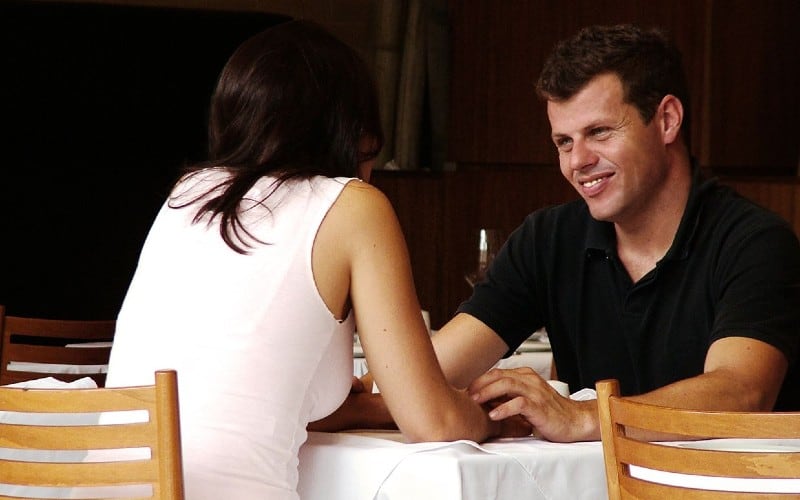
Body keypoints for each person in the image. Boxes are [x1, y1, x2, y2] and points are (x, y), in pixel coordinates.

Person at [104, 20, 511, 500]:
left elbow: (243, 389)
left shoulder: (187, 196)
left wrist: (373, 406)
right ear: (352, 127)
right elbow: (432, 421)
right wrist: (496, 417)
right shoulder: (353, 205)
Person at [355, 23, 800, 442]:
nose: (577, 161)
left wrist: (583, 417)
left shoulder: (756, 242)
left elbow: (741, 393)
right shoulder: (548, 239)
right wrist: (340, 407)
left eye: (600, 132)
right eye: (564, 142)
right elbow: (428, 375)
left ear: (667, 120)